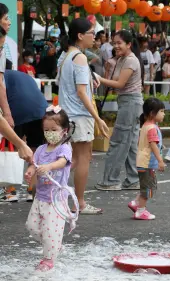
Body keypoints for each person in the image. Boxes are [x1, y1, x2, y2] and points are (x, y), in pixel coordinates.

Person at [58, 18, 109, 214]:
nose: (94, 38)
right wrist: (97, 118)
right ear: (80, 36)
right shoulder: (79, 57)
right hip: (79, 115)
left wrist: (91, 78)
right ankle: (79, 202)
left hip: (66, 114)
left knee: (70, 159)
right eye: (92, 34)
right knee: (82, 159)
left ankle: (51, 185)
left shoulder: (65, 56)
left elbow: (72, 83)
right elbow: (80, 92)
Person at [24, 106, 73, 272]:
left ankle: (48, 259)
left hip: (56, 200)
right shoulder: (40, 149)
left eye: (54, 129)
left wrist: (49, 166)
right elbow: (33, 164)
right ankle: (54, 245)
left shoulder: (64, 148)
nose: (50, 132)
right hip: (40, 197)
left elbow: (61, 162)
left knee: (51, 232)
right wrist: (30, 171)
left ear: (64, 131)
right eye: (46, 129)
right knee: (32, 226)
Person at [94, 30, 144, 191]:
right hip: (128, 102)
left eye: (119, 43)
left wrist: (99, 78)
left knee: (118, 142)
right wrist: (108, 68)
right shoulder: (121, 59)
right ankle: (134, 179)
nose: (116, 46)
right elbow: (112, 83)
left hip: (130, 103)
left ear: (129, 44)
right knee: (129, 144)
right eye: (114, 43)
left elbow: (119, 84)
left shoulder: (130, 61)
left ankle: (111, 180)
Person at [3, 70, 48, 202]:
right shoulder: (21, 75)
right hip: (40, 110)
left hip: (16, 110)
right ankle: (32, 190)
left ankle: (9, 191)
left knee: (9, 147)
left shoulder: (2, 77)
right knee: (36, 149)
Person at [128, 98, 165, 220]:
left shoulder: (145, 126)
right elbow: (153, 144)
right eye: (161, 111)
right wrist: (160, 160)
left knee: (145, 185)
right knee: (148, 188)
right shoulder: (152, 128)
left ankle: (136, 203)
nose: (163, 114)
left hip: (142, 162)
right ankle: (140, 211)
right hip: (148, 163)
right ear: (152, 114)